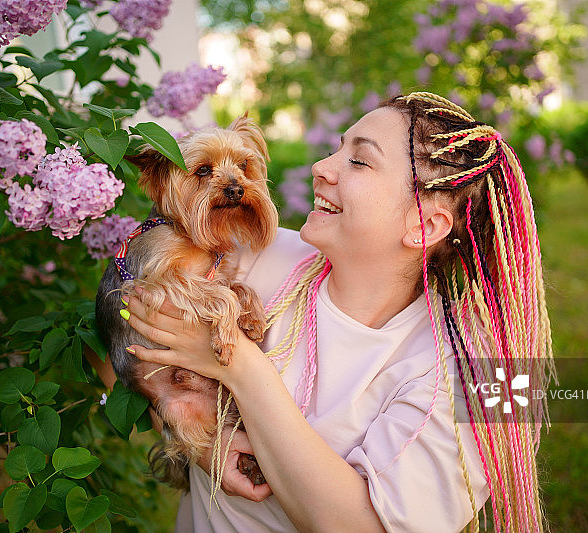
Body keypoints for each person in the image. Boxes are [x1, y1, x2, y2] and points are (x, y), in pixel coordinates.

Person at [118, 92, 555, 533]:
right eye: (337, 148)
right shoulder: (245, 252)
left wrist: (238, 364)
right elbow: (122, 350)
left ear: (425, 226)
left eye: (359, 161)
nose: (320, 167)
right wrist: (205, 446)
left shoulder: (492, 376)